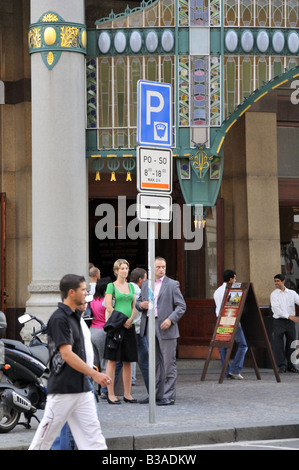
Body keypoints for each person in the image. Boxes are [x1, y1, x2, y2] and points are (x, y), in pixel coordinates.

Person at [29, 274, 111, 450]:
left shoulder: (75, 316)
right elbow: (66, 354)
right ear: (71, 292)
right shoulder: (59, 318)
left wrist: (90, 375)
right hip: (63, 389)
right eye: (83, 289)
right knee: (44, 440)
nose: (86, 293)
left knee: (94, 440)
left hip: (81, 389)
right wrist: (94, 373)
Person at [137, 257, 186, 405]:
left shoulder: (172, 284)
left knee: (168, 362)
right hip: (150, 324)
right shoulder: (146, 284)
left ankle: (169, 395)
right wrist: (141, 305)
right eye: (158, 267)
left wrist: (171, 319)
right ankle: (156, 394)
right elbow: (138, 303)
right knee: (154, 363)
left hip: (166, 326)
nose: (161, 269)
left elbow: (181, 306)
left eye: (163, 267)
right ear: (152, 268)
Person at [104, 259, 138, 404]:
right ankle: (110, 393)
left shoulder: (131, 286)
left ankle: (127, 393)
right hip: (116, 326)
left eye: (126, 268)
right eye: (122, 268)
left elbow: (134, 305)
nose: (125, 271)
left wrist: (130, 318)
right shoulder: (111, 286)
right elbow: (109, 307)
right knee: (112, 360)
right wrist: (123, 319)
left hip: (129, 327)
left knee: (128, 361)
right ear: (116, 271)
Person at [213, 269, 248, 379]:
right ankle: (235, 370)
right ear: (231, 279)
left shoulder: (217, 291)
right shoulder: (233, 290)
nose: (235, 280)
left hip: (220, 320)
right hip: (231, 319)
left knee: (223, 347)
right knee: (243, 345)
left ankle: (226, 371)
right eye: (235, 278)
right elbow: (233, 308)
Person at [270, 273, 299, 373]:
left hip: (290, 322)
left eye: (278, 281)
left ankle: (291, 366)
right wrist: (289, 316)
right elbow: (276, 310)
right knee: (279, 344)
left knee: (292, 343)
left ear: (283, 281)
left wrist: (291, 318)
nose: (276, 283)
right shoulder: (274, 294)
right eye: (275, 281)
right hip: (278, 321)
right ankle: (282, 366)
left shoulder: (292, 293)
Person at [129, 268, 149, 392]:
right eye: (146, 279)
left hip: (127, 328)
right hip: (137, 329)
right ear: (140, 280)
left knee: (121, 360)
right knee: (145, 360)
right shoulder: (139, 292)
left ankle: (106, 391)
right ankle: (152, 390)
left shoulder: (125, 288)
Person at [90, 278, 110, 372]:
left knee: (94, 362)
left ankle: (93, 386)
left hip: (92, 330)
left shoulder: (93, 300)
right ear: (105, 290)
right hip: (102, 332)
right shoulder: (106, 301)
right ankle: (104, 386)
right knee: (105, 362)